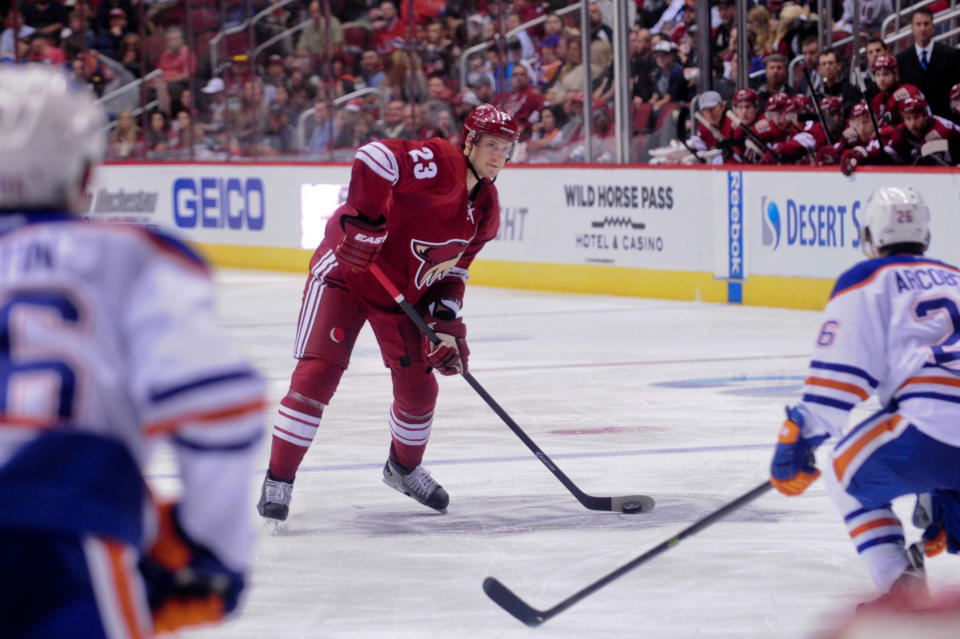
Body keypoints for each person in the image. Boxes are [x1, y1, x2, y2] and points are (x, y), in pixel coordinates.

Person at [0, 65, 265, 637]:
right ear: (86, 171)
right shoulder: (128, 255)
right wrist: (211, 552)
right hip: (59, 539)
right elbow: (219, 402)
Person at [257, 104, 520, 521]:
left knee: (420, 391)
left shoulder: (485, 211)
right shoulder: (440, 163)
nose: (498, 156)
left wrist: (445, 324)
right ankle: (279, 479)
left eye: (506, 149)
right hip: (347, 273)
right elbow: (374, 158)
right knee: (315, 377)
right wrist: (367, 221)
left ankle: (403, 468)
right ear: (468, 141)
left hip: (401, 295)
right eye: (491, 144)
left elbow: (453, 272)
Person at [769, 184, 960, 606]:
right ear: (925, 233)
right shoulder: (957, 277)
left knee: (841, 474)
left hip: (929, 424)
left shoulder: (867, 279)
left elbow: (840, 379)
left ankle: (900, 594)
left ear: (870, 235)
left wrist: (799, 436)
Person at [895, 7, 960, 119]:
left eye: (926, 24)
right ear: (912, 28)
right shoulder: (901, 59)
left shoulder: (951, 55)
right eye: (918, 24)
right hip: (914, 123)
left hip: (945, 119)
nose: (922, 28)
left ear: (933, 27)